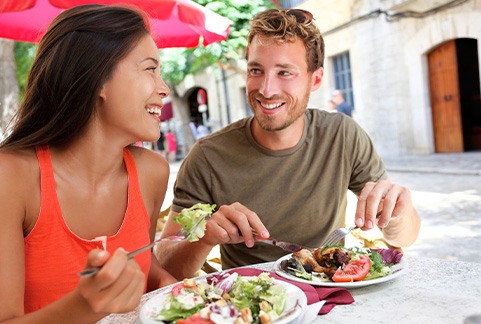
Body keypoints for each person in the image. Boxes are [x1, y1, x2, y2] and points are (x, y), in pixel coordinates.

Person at [156, 8, 420, 279]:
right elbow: (165, 265)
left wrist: (398, 213)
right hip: (249, 306)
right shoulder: (208, 156)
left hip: (329, 295)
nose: (266, 89)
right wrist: (205, 237)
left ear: (315, 79)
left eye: (284, 73)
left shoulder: (342, 135)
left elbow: (407, 237)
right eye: (256, 70)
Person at [0, 5, 177, 322]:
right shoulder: (10, 177)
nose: (163, 88)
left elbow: (143, 264)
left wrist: (164, 283)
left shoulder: (152, 172)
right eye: (150, 69)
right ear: (98, 79)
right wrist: (84, 305)